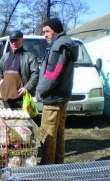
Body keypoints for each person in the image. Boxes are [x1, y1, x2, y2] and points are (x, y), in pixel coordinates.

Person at [36, 18, 78, 165]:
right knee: (59, 135)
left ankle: (47, 168)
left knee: (47, 136)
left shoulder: (58, 46)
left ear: (56, 30)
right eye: (44, 32)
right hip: (62, 98)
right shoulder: (67, 44)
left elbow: (53, 74)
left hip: (53, 99)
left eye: (47, 31)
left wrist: (41, 90)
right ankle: (58, 165)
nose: (45, 35)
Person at [0, 30, 39, 108]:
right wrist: (0, 80)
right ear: (9, 42)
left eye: (16, 40)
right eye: (12, 40)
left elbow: (35, 74)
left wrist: (26, 88)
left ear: (22, 41)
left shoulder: (30, 56)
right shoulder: (6, 56)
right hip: (6, 96)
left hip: (21, 98)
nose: (14, 43)